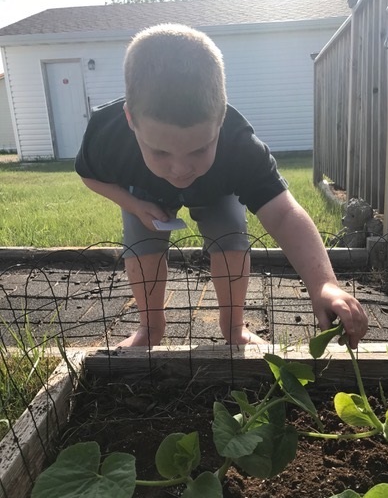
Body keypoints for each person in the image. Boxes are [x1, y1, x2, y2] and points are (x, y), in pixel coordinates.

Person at [75, 24, 368, 349]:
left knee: (230, 236)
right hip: (145, 194)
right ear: (131, 120)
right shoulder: (108, 134)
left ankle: (233, 327)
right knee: (142, 246)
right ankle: (150, 327)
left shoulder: (239, 145)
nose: (180, 168)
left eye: (199, 149)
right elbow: (89, 174)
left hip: (216, 189)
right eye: (160, 151)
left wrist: (324, 285)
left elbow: (284, 214)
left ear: (221, 118)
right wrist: (133, 206)